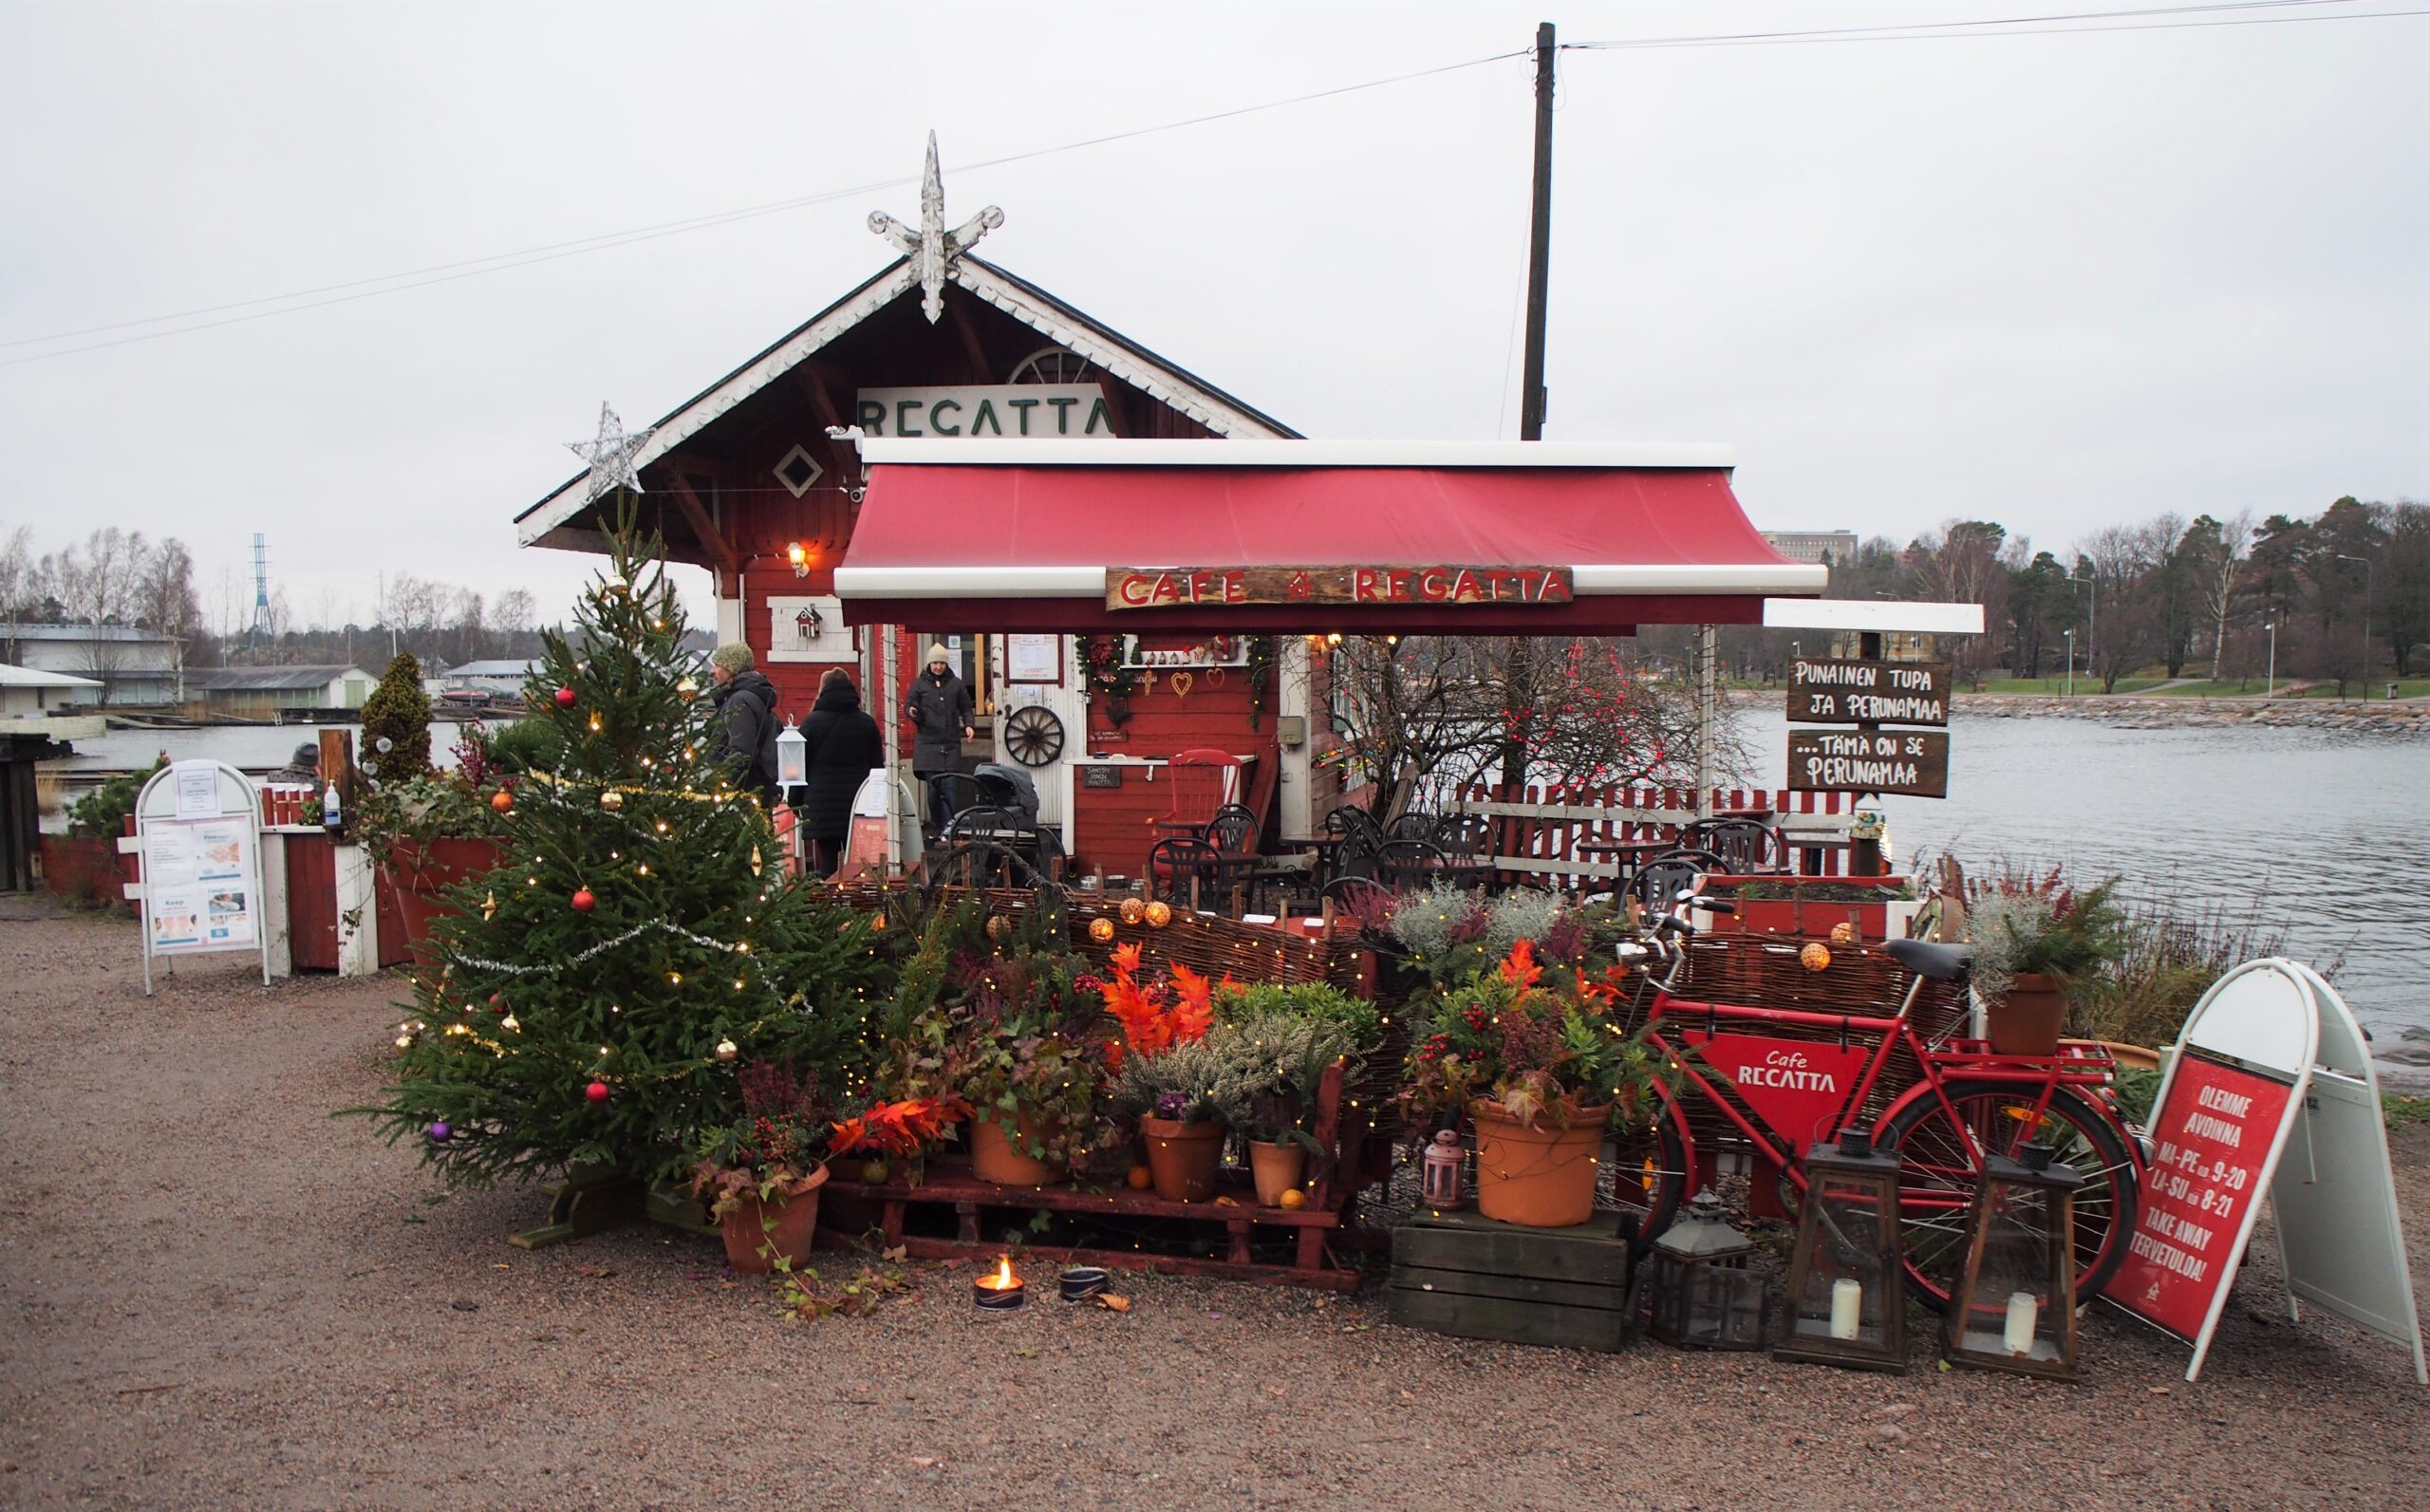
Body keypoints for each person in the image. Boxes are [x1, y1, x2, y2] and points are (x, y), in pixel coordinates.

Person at [798, 668, 883, 878]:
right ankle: (856, 904)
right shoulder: (866, 723)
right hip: (858, 803)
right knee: (858, 860)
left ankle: (831, 905)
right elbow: (877, 768)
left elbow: (800, 767)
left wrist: (795, 802)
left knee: (828, 859)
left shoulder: (811, 723)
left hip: (822, 803)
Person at [905, 642, 974, 835]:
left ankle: (949, 828)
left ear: (946, 664)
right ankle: (937, 825)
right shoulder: (919, 684)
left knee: (951, 790)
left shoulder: (956, 684)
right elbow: (909, 705)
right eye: (935, 663)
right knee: (934, 793)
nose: (938, 667)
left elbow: (966, 707)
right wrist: (912, 712)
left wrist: (969, 724)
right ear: (929, 664)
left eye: (941, 663)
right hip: (927, 746)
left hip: (950, 744)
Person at [708, 643, 779, 801]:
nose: (712, 671)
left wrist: (719, 782)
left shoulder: (740, 701)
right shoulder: (748, 697)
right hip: (752, 792)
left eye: (718, 665)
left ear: (732, 669)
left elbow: (742, 750)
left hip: (740, 794)